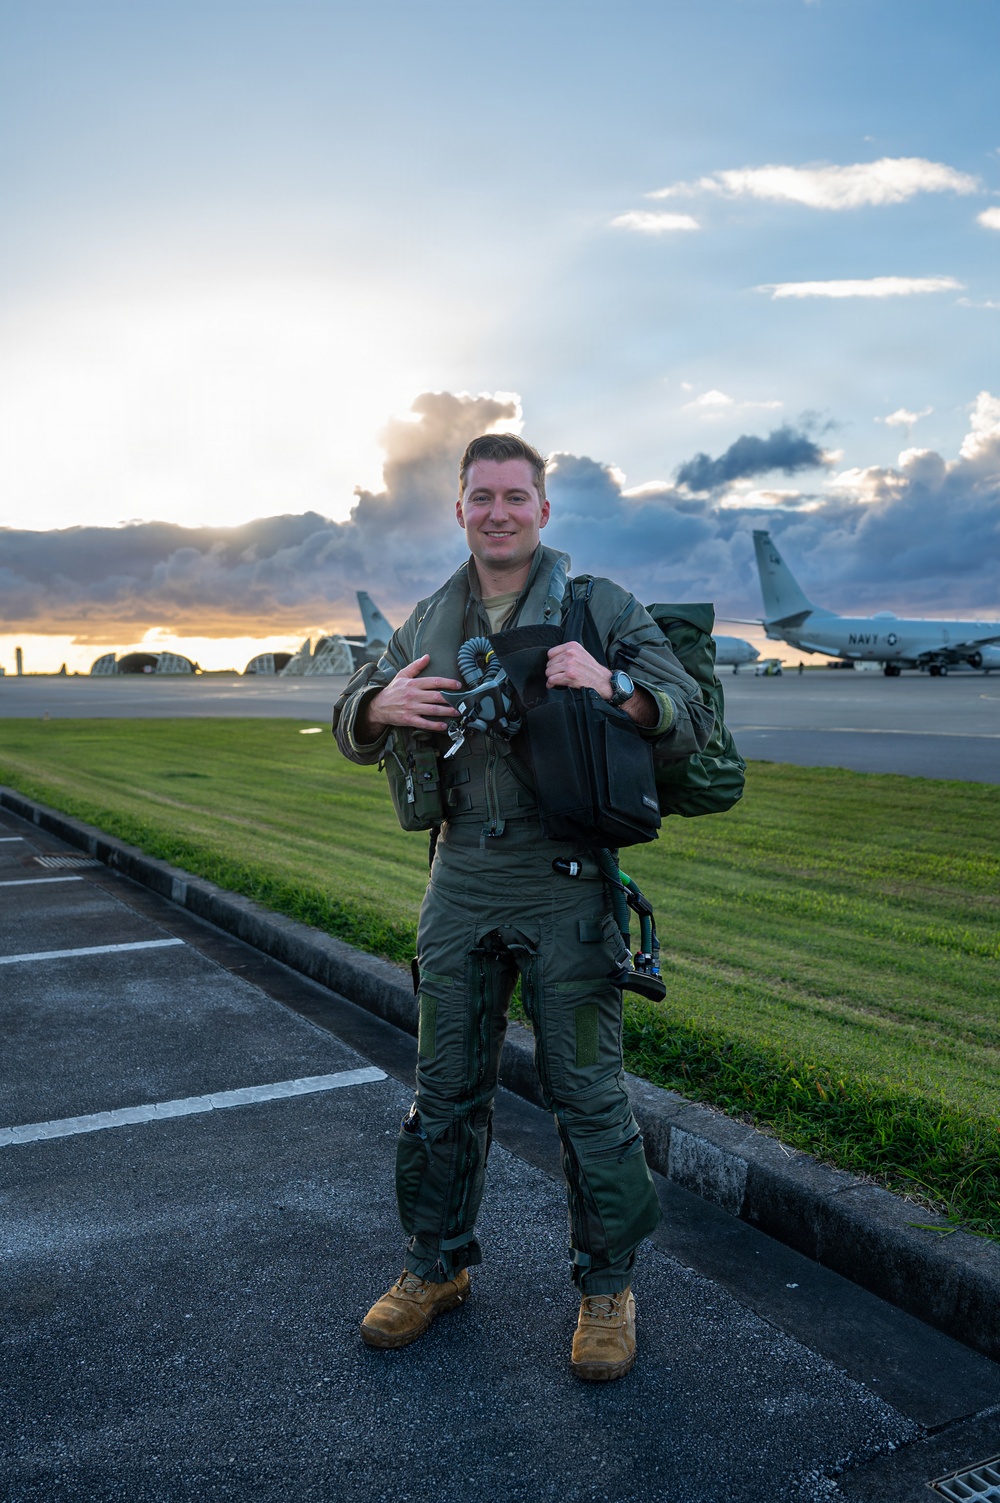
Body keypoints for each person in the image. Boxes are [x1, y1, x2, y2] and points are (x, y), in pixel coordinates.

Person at [332, 433, 708, 1380]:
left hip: (565, 879)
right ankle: (434, 1267)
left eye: (514, 495)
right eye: (481, 496)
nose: (497, 512)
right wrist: (376, 709)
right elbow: (351, 714)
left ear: (543, 508)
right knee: (444, 1089)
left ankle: (608, 1287)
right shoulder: (430, 619)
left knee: (586, 1093)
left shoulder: (597, 606)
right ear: (459, 509)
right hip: (459, 877)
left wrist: (612, 684)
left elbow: (688, 715)